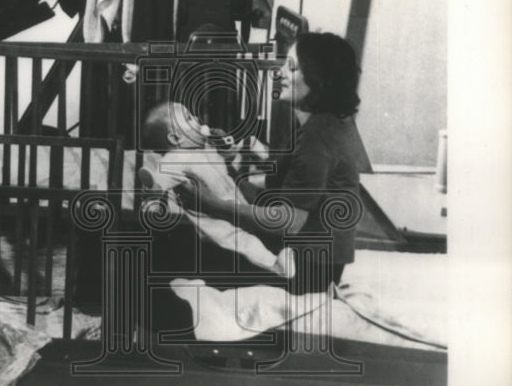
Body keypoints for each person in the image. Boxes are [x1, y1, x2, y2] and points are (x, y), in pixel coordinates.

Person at [178, 32, 365, 295]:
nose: (281, 72)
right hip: (315, 260)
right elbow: (281, 186)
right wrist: (228, 169)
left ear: (320, 79)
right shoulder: (327, 123)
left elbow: (286, 221)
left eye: (294, 67)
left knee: (179, 256)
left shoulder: (317, 135)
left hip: (305, 269)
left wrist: (212, 204)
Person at [139, 100, 295, 280]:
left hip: (232, 199)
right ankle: (275, 264)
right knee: (243, 241)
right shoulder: (175, 158)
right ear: (176, 138)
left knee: (252, 227)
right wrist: (153, 188)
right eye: (189, 118)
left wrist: (223, 143)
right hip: (212, 217)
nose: (197, 119)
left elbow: (227, 156)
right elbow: (162, 176)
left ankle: (278, 257)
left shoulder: (205, 147)